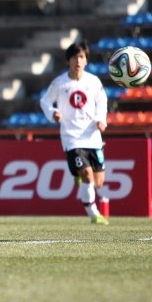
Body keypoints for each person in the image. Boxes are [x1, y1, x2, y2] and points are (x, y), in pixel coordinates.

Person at [40, 41, 110, 224]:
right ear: (68, 61)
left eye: (81, 57)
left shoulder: (94, 82)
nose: (78, 61)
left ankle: (78, 178)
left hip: (93, 137)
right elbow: (45, 102)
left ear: (86, 60)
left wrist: (101, 120)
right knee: (87, 175)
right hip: (72, 138)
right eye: (74, 57)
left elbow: (102, 102)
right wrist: (52, 113)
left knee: (98, 182)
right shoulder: (60, 83)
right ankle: (94, 214)